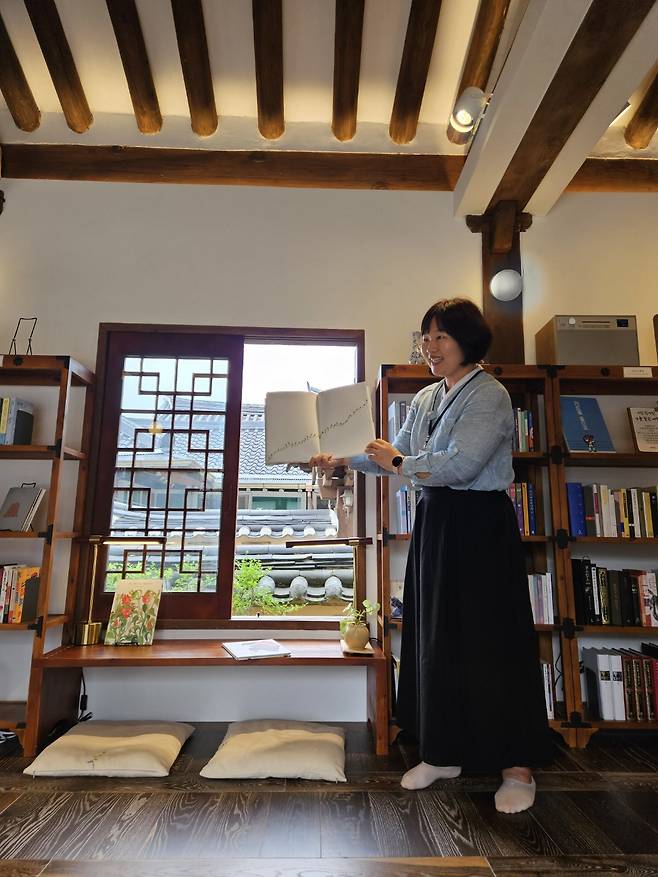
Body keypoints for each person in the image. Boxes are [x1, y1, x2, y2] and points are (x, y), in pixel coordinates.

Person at [310, 298, 554, 814]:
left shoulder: (490, 394)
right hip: (436, 522)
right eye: (426, 337)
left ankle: (517, 767)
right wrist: (342, 458)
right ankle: (443, 752)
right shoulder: (424, 397)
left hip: (480, 524)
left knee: (493, 640)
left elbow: (459, 466)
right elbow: (390, 456)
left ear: (468, 341)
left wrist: (396, 460)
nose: (430, 346)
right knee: (434, 636)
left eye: (441, 336)